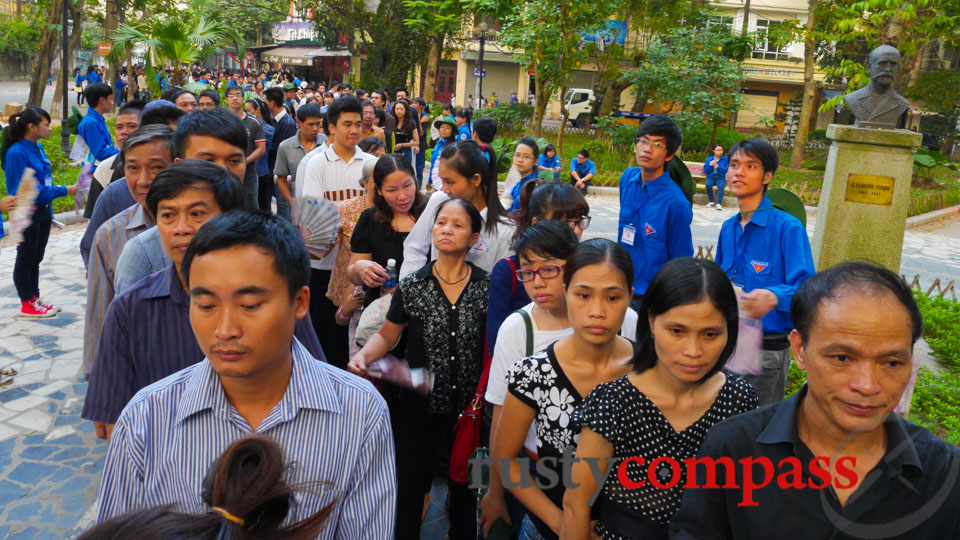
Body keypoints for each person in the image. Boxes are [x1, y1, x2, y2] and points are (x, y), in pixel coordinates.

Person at [95, 211, 397, 537]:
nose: (225, 330)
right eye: (207, 306)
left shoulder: (360, 412)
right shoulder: (146, 420)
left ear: (299, 301)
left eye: (250, 305)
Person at [668, 261, 960, 539]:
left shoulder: (946, 473)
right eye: (842, 358)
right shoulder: (733, 447)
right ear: (799, 349)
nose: (867, 386)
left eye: (892, 363)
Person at [83, 159, 324, 439]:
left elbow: (315, 386)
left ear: (230, 218)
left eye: (197, 214)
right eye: (168, 215)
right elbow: (114, 424)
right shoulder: (129, 309)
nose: (181, 228)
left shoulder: (273, 298)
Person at [561, 257, 759, 540]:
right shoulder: (615, 402)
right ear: (652, 321)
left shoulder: (739, 401)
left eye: (710, 334)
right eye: (677, 331)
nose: (692, 351)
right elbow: (576, 505)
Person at [349, 197, 489, 540]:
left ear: (473, 238)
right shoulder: (413, 285)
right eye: (441, 222)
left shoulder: (488, 287)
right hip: (417, 409)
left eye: (458, 225)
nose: (446, 229)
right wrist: (362, 359)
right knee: (410, 488)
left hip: (473, 414)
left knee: (473, 489)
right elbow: (387, 334)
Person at [492, 239, 637, 540]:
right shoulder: (533, 374)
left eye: (612, 298)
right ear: (567, 293)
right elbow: (506, 463)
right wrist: (564, 524)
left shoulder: (648, 370)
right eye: (583, 295)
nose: (596, 311)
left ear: (629, 298)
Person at [716, 138, 815, 406]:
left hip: (766, 352)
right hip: (725, 343)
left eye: (751, 166)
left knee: (757, 429)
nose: (739, 172)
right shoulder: (729, 227)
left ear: (767, 176)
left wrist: (773, 296)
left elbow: (808, 289)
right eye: (734, 165)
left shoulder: (788, 228)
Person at [80, 436, 334, 539]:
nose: (226, 330)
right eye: (206, 315)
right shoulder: (142, 415)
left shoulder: (363, 412)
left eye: (252, 315)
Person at [83, 126, 176, 379]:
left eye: (156, 167)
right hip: (139, 372)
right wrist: (99, 382)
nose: (143, 180)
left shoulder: (204, 228)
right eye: (133, 168)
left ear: (178, 165)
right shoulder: (110, 234)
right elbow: (100, 316)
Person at [300, 95, 375, 368]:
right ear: (330, 127)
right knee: (323, 336)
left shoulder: (370, 164)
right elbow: (315, 218)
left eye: (358, 123)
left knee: (354, 337)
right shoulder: (316, 163)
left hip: (360, 265)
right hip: (323, 265)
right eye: (347, 124)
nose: (354, 130)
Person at [487, 181, 590, 357]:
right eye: (562, 221)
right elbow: (497, 341)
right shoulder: (509, 270)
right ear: (537, 222)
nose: (574, 230)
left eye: (578, 220)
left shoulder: (588, 267)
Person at [2, 107, 79, 318]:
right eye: (46, 124)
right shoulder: (17, 153)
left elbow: (45, 180)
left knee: (36, 257)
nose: (50, 128)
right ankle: (26, 302)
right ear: (31, 126)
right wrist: (65, 190)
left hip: (42, 212)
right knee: (25, 257)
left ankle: (35, 298)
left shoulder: (37, 148)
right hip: (26, 212)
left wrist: (50, 209)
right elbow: (28, 192)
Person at [400, 140, 515, 279]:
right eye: (442, 181)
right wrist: (411, 287)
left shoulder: (506, 231)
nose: (445, 189)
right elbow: (415, 247)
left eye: (450, 182)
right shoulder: (440, 200)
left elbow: (501, 283)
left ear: (476, 180)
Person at [617, 115, 693, 311]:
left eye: (657, 144)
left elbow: (681, 259)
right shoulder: (627, 179)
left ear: (669, 155)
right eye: (643, 141)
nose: (647, 149)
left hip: (652, 299)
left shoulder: (676, 204)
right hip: (621, 289)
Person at [347, 154, 427, 308]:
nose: (402, 196)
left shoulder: (432, 215)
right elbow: (353, 275)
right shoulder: (370, 220)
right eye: (392, 190)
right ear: (379, 191)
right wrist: (359, 269)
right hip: (382, 309)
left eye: (407, 186)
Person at [326, 159, 378, 341]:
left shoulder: (397, 211)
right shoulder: (345, 209)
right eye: (375, 178)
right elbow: (325, 248)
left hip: (380, 292)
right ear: (364, 182)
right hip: (346, 289)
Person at [85, 101, 144, 220]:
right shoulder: (105, 168)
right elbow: (95, 220)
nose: (124, 132)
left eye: (132, 126)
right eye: (119, 127)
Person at [273, 102, 324, 219]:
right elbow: (281, 178)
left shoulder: (327, 144)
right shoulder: (286, 147)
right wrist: (291, 202)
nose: (315, 128)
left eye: (318, 124)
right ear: (298, 123)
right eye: (310, 125)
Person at [225, 85, 265, 210]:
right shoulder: (221, 121)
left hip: (249, 173)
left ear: (243, 99)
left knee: (251, 207)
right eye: (231, 95)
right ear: (226, 99)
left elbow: (261, 148)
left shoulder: (254, 122)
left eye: (238, 95)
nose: (235, 98)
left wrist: (244, 161)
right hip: (225, 172)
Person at [245, 97, 276, 212]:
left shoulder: (267, 129)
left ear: (257, 110)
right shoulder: (246, 126)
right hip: (248, 172)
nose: (246, 114)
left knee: (263, 206)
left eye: (249, 111)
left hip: (261, 172)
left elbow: (258, 148)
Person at [77, 83, 118, 166]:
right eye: (110, 99)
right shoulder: (90, 123)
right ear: (102, 100)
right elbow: (101, 153)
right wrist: (121, 150)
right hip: (94, 173)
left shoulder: (97, 120)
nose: (112, 102)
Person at [508, 137, 541, 212]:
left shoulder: (534, 187)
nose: (520, 160)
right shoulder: (515, 180)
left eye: (526, 157)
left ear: (535, 161)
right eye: (517, 155)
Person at [428, 117, 457, 193]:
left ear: (452, 131)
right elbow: (434, 165)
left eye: (447, 128)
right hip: (436, 181)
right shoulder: (438, 143)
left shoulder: (453, 146)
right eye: (442, 127)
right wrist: (429, 181)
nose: (444, 130)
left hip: (446, 183)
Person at [391, 99, 420, 170]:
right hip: (392, 151)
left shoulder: (411, 123)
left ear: (406, 110)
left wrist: (402, 145)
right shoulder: (391, 121)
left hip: (405, 152)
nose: (399, 111)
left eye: (401, 109)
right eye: (397, 109)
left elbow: (416, 141)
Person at [703, 144, 729, 209]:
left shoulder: (725, 159)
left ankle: (718, 203)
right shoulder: (709, 159)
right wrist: (710, 165)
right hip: (711, 176)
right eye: (718, 150)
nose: (720, 152)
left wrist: (718, 167)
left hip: (721, 177)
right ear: (714, 151)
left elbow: (726, 169)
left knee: (721, 186)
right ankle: (711, 201)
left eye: (721, 150)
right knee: (708, 185)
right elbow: (706, 170)